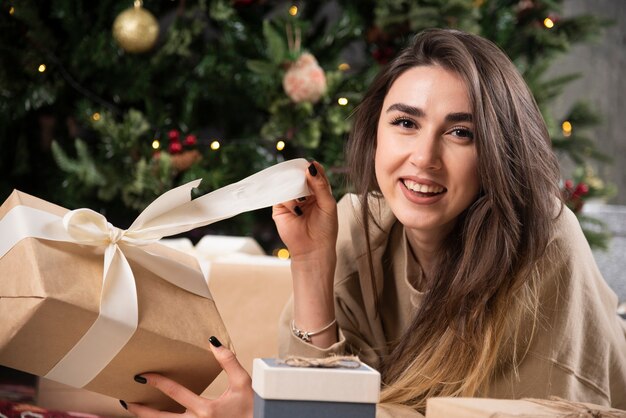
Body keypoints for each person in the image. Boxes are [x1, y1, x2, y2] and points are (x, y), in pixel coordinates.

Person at [124, 28, 626, 418]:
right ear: (377, 133)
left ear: (500, 151)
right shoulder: (357, 225)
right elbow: (318, 402)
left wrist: (273, 411)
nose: (423, 158)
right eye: (405, 123)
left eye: (460, 133)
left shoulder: (545, 241)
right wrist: (311, 261)